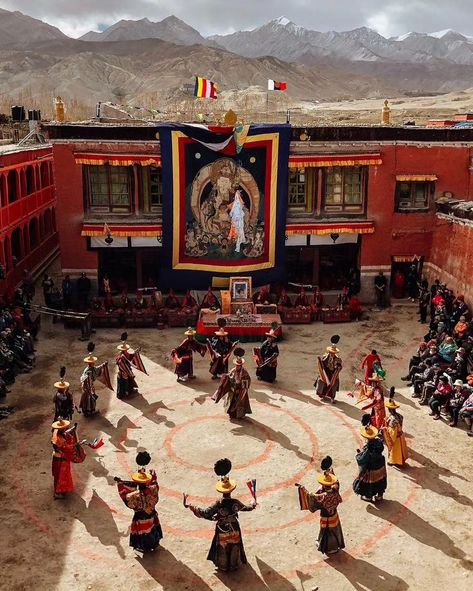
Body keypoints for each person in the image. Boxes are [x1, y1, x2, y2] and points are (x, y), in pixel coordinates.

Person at [183, 458, 256, 571]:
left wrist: (191, 506)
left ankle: (223, 566)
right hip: (234, 528)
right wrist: (253, 504)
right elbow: (247, 508)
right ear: (231, 490)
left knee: (223, 545)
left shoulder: (219, 503)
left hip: (222, 529)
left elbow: (205, 513)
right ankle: (234, 565)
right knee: (234, 544)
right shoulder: (235, 503)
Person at [295, 456, 345, 556]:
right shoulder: (335, 491)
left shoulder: (322, 496)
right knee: (335, 529)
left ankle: (329, 548)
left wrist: (302, 489)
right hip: (334, 514)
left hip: (325, 516)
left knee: (326, 530)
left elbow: (311, 497)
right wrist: (330, 472)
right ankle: (335, 547)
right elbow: (336, 483)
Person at [115, 453, 163, 553]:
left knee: (143, 532)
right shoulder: (153, 489)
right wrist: (153, 476)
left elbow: (126, 498)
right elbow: (154, 483)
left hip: (140, 517)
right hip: (151, 514)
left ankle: (144, 547)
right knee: (152, 528)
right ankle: (154, 543)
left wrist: (120, 483)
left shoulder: (133, 495)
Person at [353, 415, 387, 503]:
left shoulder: (368, 448)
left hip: (372, 467)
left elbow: (362, 459)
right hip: (380, 464)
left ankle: (369, 496)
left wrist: (358, 455)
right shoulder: (379, 442)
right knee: (381, 480)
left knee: (370, 483)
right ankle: (380, 495)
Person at [212, 348, 252, 419]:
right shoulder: (233, 370)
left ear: (241, 365)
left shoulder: (244, 373)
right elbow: (228, 378)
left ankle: (240, 415)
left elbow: (246, 382)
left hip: (240, 390)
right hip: (232, 389)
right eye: (236, 365)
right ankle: (231, 413)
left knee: (240, 402)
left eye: (239, 365)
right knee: (231, 403)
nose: (237, 366)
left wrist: (240, 389)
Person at [79, 343, 110, 416]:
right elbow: (84, 380)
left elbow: (97, 368)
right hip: (87, 388)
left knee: (90, 399)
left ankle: (88, 411)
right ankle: (89, 412)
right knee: (90, 399)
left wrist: (103, 364)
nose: (94, 363)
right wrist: (88, 389)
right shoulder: (87, 371)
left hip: (89, 387)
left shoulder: (91, 368)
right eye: (93, 362)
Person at [383, 388, 408, 467]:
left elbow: (392, 432)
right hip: (400, 435)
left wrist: (385, 430)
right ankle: (399, 461)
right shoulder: (399, 416)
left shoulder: (392, 419)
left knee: (395, 450)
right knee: (400, 450)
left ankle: (394, 462)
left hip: (395, 437)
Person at [315, 337, 342, 403]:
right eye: (331, 352)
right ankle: (322, 394)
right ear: (329, 352)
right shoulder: (325, 357)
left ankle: (332, 398)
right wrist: (322, 368)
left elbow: (340, 366)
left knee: (334, 385)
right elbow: (322, 363)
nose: (332, 354)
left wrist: (338, 368)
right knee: (322, 381)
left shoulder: (337, 359)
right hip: (326, 372)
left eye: (333, 352)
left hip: (333, 374)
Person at [116, 333, 139, 399]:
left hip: (127, 370)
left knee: (129, 381)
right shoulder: (120, 356)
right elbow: (119, 363)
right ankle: (124, 394)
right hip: (123, 372)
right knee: (125, 383)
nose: (126, 350)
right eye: (125, 350)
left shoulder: (126, 354)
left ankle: (130, 391)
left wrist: (135, 352)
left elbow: (130, 357)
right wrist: (125, 371)